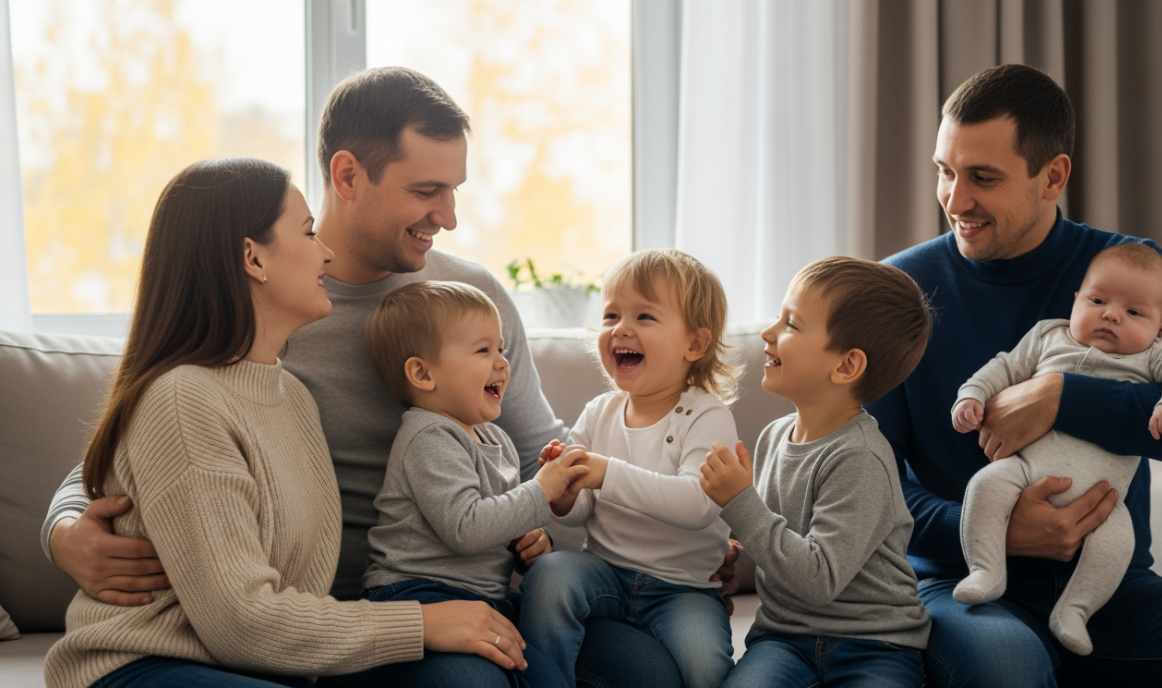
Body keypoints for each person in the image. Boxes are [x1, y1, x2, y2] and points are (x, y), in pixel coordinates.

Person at [42, 67, 707, 688]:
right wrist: (65, 529)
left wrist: (674, 539)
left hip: (477, 578)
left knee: (648, 672)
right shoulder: (260, 323)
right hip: (355, 604)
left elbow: (544, 453)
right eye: (425, 191)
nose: (447, 215)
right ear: (349, 175)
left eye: (453, 190)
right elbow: (136, 454)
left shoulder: (469, 299)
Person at [871, 63, 1162, 686]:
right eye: (945, 171)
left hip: (1113, 588)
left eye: (982, 177)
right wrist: (996, 530)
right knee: (1005, 661)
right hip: (962, 584)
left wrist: (1062, 396)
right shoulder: (898, 292)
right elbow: (866, 485)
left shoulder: (1133, 277)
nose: (955, 201)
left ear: (1054, 176)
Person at [45, 159, 526, 688]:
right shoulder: (183, 397)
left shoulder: (291, 395)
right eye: (308, 233)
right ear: (252, 256)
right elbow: (237, 618)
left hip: (274, 662)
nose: (326, 251)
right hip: (150, 665)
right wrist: (423, 621)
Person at [951, 243, 1162, 656]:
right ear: (1076, 301)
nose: (1111, 314)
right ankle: (986, 570)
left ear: (1160, 327)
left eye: (1134, 312)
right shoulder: (1048, 336)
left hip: (1102, 503)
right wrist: (972, 396)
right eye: (1098, 300)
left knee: (1116, 545)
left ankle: (1074, 610)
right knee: (985, 485)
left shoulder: (1157, 354)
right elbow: (1002, 366)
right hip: (1024, 472)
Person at [699, 256, 932, 688]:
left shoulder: (861, 457)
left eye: (790, 324)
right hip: (783, 641)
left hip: (875, 646)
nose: (768, 333)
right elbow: (779, 535)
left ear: (846, 366)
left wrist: (739, 503)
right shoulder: (773, 437)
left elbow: (818, 579)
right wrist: (730, 551)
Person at [519, 249, 740, 688]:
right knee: (550, 576)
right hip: (605, 571)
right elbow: (581, 509)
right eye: (611, 315)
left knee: (706, 669)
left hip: (683, 589)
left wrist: (606, 473)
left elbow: (698, 504)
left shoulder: (707, 416)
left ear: (694, 344)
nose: (621, 328)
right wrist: (566, 494)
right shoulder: (600, 411)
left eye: (644, 317)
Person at [356, 281, 592, 687]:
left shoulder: (494, 437)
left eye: (500, 348)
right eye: (483, 350)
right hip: (416, 596)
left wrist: (531, 540)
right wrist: (541, 491)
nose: (502, 363)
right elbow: (467, 528)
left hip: (483, 600)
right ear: (423, 373)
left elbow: (498, 522)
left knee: (548, 678)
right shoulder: (428, 437)